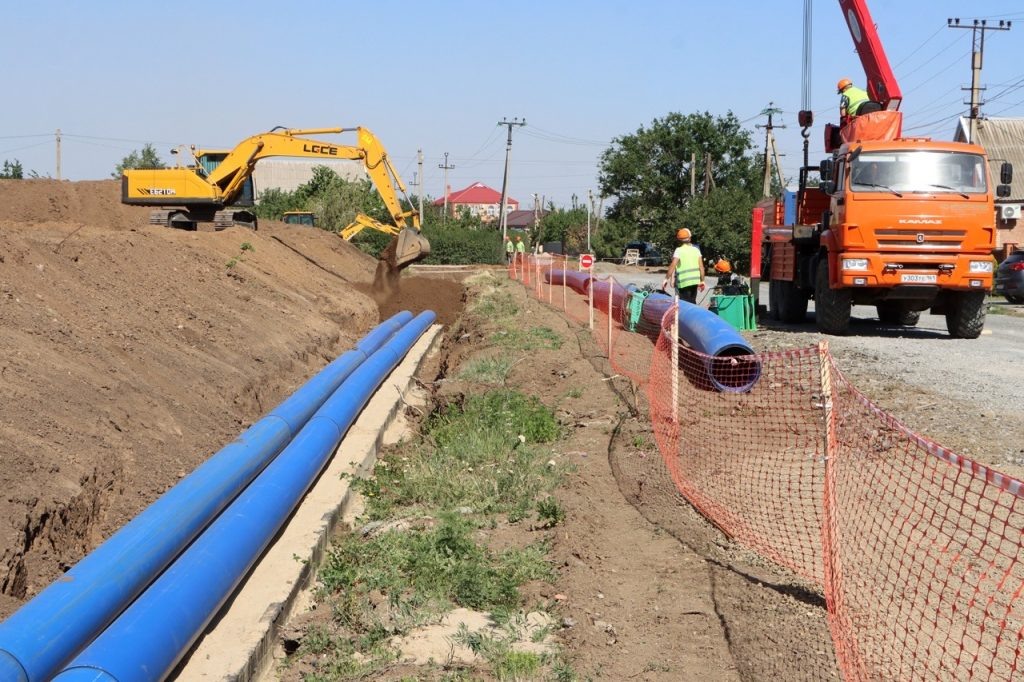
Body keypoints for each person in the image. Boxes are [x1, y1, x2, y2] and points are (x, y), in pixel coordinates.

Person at [662, 228, 706, 304]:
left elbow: (673, 265)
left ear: (679, 240)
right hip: (695, 281)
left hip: (684, 283)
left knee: (685, 304)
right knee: (692, 302)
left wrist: (666, 279)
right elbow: (701, 267)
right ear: (690, 238)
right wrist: (702, 281)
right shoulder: (696, 250)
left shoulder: (679, 250)